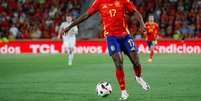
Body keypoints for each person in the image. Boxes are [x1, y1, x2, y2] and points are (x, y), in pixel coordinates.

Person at [63, 0, 150, 100]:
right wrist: (70, 26)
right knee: (118, 63)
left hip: (125, 36)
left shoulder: (124, 1)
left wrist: (142, 24)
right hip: (111, 38)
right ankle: (124, 92)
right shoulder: (99, 2)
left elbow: (135, 12)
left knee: (136, 62)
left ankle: (139, 78)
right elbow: (86, 15)